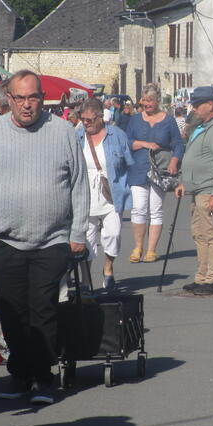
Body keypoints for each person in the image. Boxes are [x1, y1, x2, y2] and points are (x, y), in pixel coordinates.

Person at [0, 69, 90, 405]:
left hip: (52, 240)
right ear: (8, 99)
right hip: (5, 240)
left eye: (34, 97)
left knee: (43, 310)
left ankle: (44, 378)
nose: (27, 105)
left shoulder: (62, 131)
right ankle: (20, 375)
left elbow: (79, 184)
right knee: (12, 313)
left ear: (43, 99)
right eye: (20, 98)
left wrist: (78, 232)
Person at [174, 87, 213, 295]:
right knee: (199, 234)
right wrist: (184, 182)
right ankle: (201, 277)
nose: (195, 109)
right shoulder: (203, 126)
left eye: (198, 104)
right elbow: (194, 156)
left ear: (211, 105)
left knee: (212, 234)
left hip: (209, 189)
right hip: (197, 189)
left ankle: (212, 279)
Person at [77, 98, 134, 292]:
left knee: (114, 234)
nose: (86, 123)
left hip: (111, 193)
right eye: (83, 119)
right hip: (85, 194)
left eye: (90, 120)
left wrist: (124, 184)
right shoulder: (78, 135)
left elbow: (129, 162)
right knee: (87, 240)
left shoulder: (117, 135)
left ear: (101, 117)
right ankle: (86, 280)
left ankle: (108, 268)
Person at [125, 84, 184, 263]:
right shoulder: (135, 120)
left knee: (156, 210)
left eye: (150, 100)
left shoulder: (169, 121)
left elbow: (178, 144)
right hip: (138, 168)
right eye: (144, 100)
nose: (146, 104)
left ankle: (151, 250)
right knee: (138, 208)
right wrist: (144, 144)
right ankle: (138, 247)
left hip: (160, 170)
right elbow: (127, 142)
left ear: (157, 100)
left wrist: (174, 161)